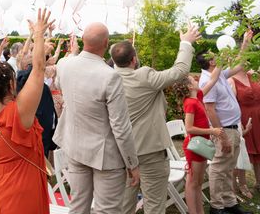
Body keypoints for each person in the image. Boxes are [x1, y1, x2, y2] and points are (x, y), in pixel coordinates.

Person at [111, 24, 201, 214]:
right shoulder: (144, 76)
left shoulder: (107, 79)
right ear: (134, 59)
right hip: (150, 152)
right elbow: (180, 70)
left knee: (123, 206)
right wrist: (185, 43)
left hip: (121, 153)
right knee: (154, 206)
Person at [0, 9, 54, 214]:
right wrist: (39, 34)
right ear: (11, 83)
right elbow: (38, 69)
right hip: (22, 192)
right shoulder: (21, 112)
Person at [53, 22, 139, 214]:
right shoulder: (110, 76)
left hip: (74, 146)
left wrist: (73, 54)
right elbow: (120, 126)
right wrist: (132, 163)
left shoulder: (64, 64)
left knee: (78, 207)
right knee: (107, 210)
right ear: (107, 43)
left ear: (82, 40)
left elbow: (58, 81)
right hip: (105, 155)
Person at [198, 30, 253, 214]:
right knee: (219, 168)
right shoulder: (207, 81)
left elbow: (238, 64)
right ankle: (217, 207)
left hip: (233, 127)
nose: (218, 56)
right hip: (225, 130)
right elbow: (210, 109)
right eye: (214, 56)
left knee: (229, 168)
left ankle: (230, 204)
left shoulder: (218, 75)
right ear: (211, 62)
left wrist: (245, 42)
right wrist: (222, 136)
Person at [172, 67, 224, 214]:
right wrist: (212, 130)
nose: (196, 79)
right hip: (195, 146)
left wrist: (221, 61)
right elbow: (189, 128)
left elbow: (213, 80)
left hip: (202, 146)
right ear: (189, 86)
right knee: (193, 182)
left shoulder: (198, 97)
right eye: (192, 80)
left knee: (199, 182)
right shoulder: (190, 102)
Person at [228, 64, 260, 196]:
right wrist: (239, 123)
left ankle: (259, 182)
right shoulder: (231, 80)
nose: (246, 62)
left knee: (259, 151)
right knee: (243, 152)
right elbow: (231, 103)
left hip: (259, 116)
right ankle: (242, 184)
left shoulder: (253, 74)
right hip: (244, 119)